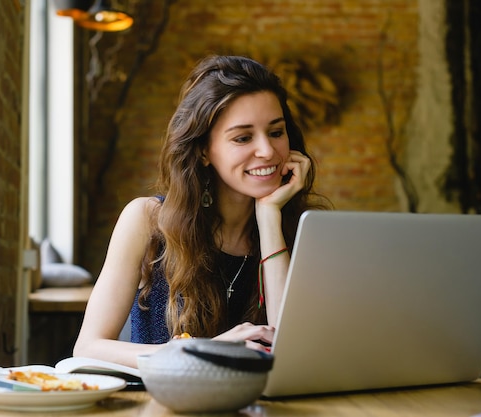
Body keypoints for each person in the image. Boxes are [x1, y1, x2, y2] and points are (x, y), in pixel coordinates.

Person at [73, 55, 330, 368]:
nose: (267, 151)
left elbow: (292, 354)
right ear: (204, 151)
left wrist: (270, 219)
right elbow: (88, 349)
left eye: (276, 132)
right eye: (243, 137)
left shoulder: (302, 228)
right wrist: (202, 350)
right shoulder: (147, 219)